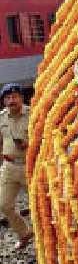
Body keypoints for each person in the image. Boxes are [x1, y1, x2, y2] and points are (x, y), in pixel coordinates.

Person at [0, 83, 31, 250]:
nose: (11, 100)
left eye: (14, 97)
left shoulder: (32, 114)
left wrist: (29, 145)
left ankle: (47, 239)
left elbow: (44, 139)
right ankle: (24, 233)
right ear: (4, 101)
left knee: (40, 205)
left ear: (21, 98)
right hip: (9, 168)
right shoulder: (1, 117)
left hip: (29, 167)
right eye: (8, 98)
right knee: (4, 205)